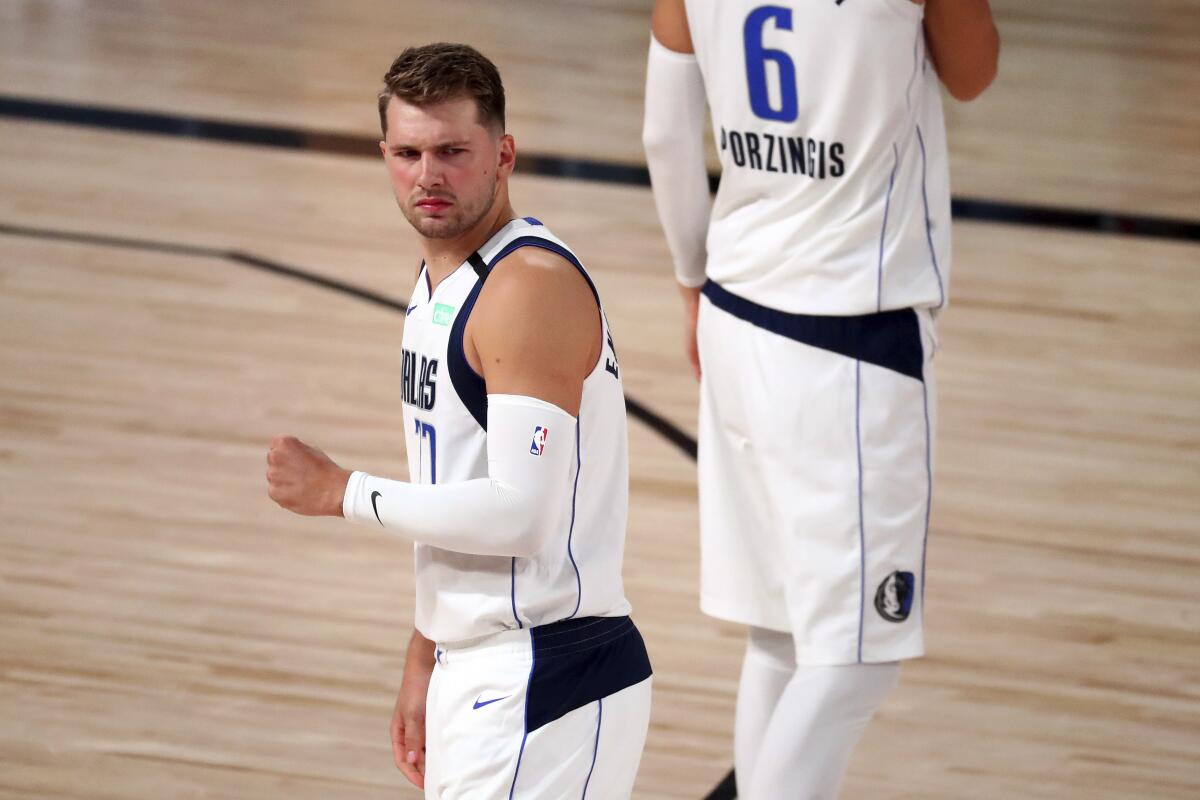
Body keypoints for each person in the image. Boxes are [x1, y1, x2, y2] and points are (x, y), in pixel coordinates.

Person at [266, 43, 652, 799]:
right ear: (383, 156)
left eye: (452, 151)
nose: (428, 174)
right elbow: (460, 490)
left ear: (503, 153)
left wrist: (341, 491)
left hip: (549, 673)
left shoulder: (525, 289)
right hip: (483, 665)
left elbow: (519, 515)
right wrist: (425, 651)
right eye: (408, 153)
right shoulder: (440, 280)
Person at [642, 1, 998, 797]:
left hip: (736, 308)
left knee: (782, 639)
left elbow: (664, 135)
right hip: (849, 337)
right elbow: (974, 74)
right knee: (858, 658)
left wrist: (690, 283)